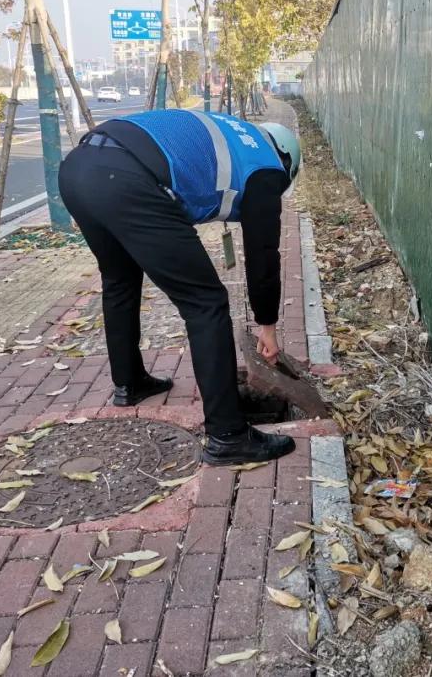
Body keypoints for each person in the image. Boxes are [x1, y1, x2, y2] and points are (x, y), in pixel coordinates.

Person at [58, 108, 301, 466]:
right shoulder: (265, 167)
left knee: (119, 280)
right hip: (125, 178)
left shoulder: (236, 134)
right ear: (285, 159)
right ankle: (228, 435)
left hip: (78, 169)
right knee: (206, 302)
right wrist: (268, 326)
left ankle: (130, 383)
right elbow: (263, 255)